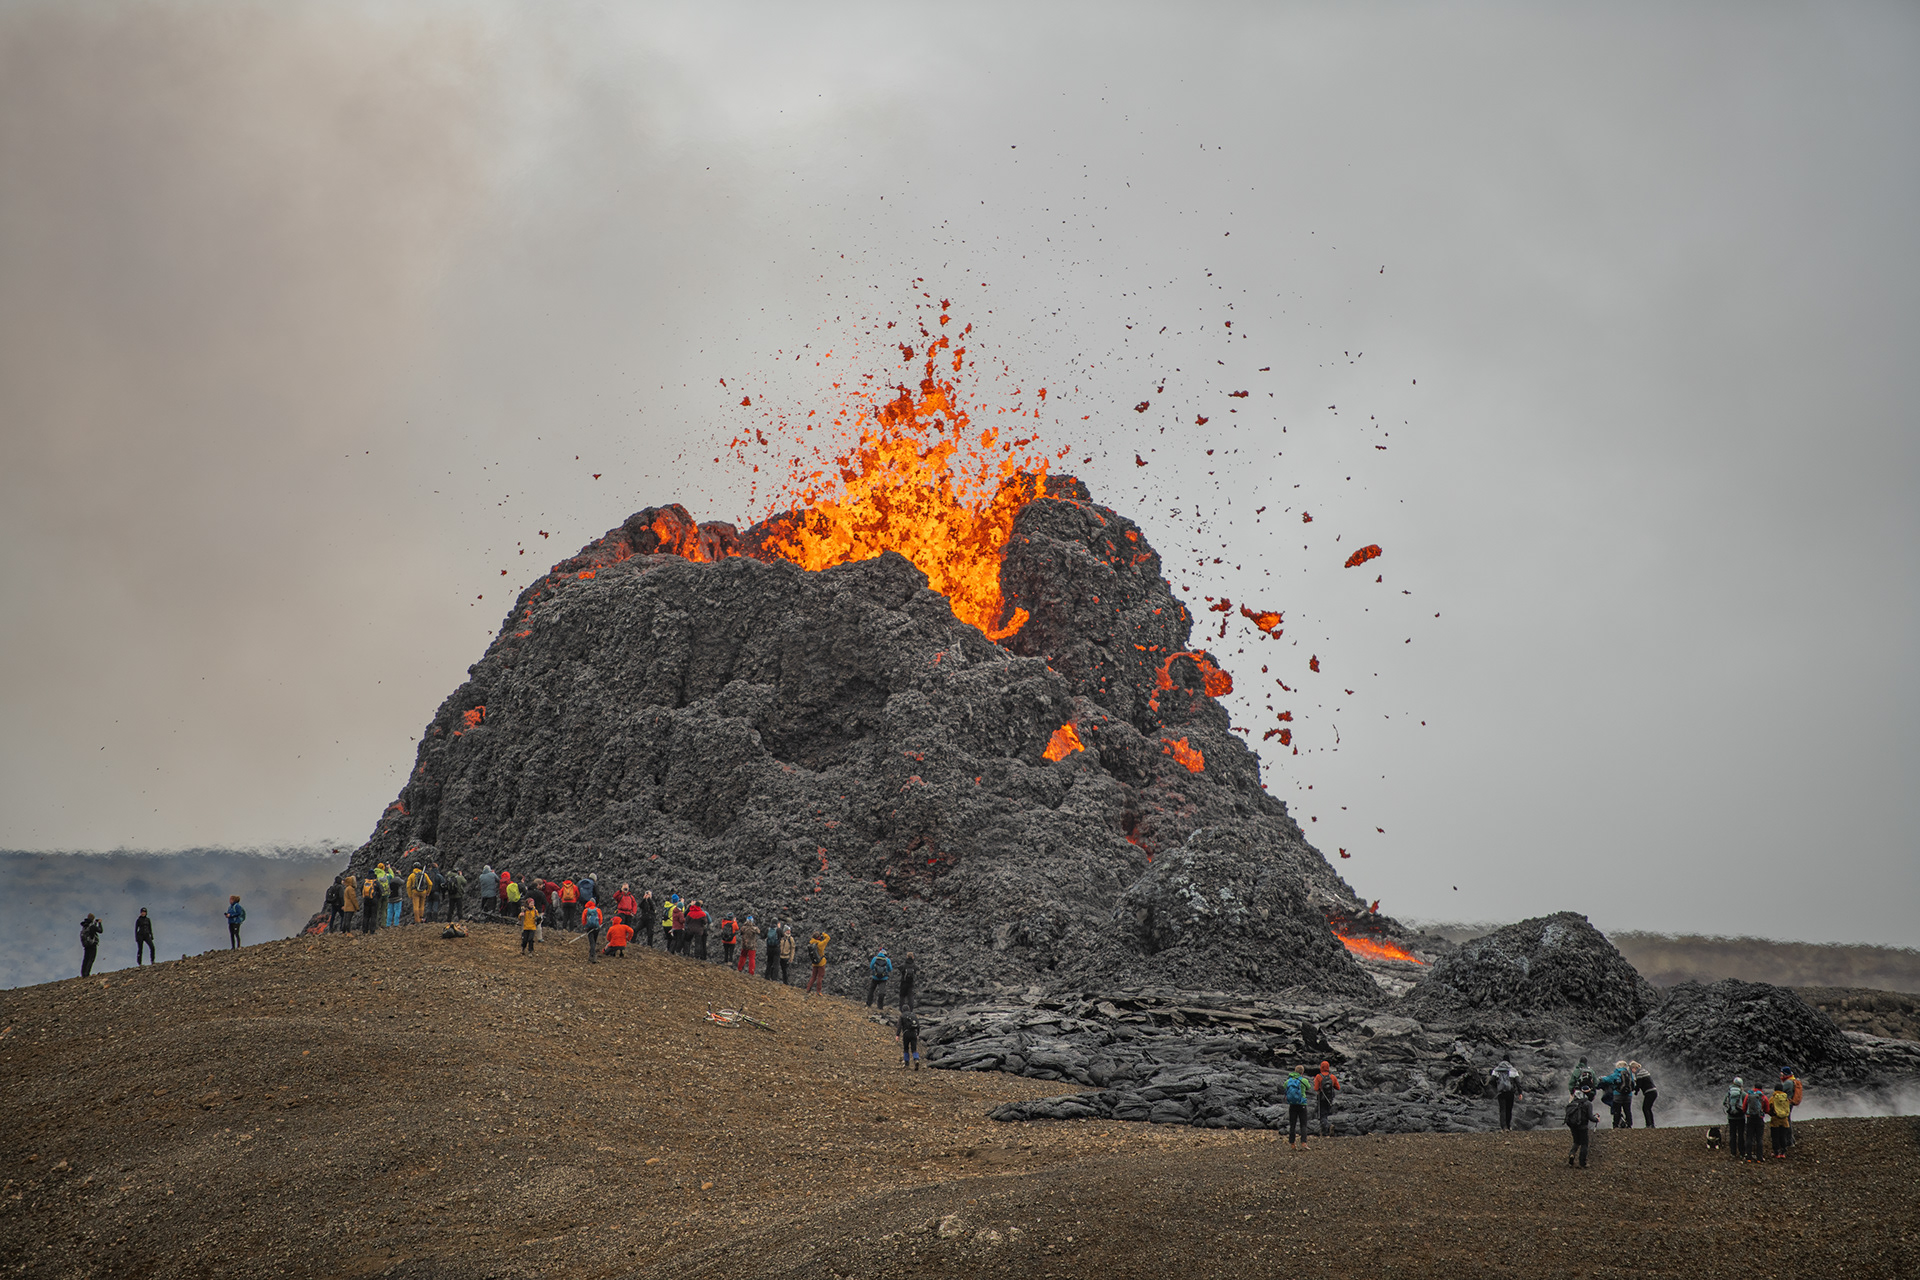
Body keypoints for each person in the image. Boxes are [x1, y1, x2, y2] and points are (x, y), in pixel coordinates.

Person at [1565, 1090, 1596, 1168]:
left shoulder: (1572, 1104)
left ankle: (1572, 1154)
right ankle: (1582, 1163)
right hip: (1583, 1126)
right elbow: (1590, 1117)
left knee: (1576, 1142)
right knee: (1584, 1144)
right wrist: (1597, 1119)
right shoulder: (1587, 1103)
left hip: (1573, 1126)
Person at [1490, 1059, 1523, 1131]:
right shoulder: (1513, 1070)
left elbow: (1491, 1080)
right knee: (1509, 1109)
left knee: (1502, 1109)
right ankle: (1508, 1126)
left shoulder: (1496, 1070)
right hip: (1510, 1092)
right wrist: (1520, 1093)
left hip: (1501, 1092)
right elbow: (1518, 1082)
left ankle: (1504, 1127)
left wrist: (1497, 1087)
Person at [1313, 1060, 1341, 1138]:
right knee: (1326, 1113)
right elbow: (1338, 1087)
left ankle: (1327, 1127)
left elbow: (1316, 1088)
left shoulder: (1318, 1076)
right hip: (1330, 1099)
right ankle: (1326, 1131)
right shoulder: (1332, 1076)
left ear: (1321, 1067)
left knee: (1322, 1115)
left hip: (1321, 1098)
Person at [1742, 1080, 1768, 1163]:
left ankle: (1748, 1157)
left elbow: (1744, 1107)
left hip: (1750, 1118)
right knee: (1759, 1138)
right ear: (1761, 1089)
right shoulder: (1763, 1097)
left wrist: (1747, 1113)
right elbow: (1767, 1109)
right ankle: (1759, 1157)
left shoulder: (1748, 1095)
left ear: (1754, 1087)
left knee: (1749, 1137)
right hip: (1759, 1118)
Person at [1284, 1067, 1311, 1147]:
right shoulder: (1303, 1080)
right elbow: (1309, 1087)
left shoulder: (1288, 1081)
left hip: (1292, 1104)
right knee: (1303, 1124)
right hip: (1302, 1104)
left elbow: (1284, 1086)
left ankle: (1292, 1143)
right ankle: (1303, 1142)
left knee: (1292, 1124)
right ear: (1302, 1073)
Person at [1723, 1078, 1747, 1160]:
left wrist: (1729, 1110)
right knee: (1741, 1135)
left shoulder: (1729, 1093)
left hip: (1731, 1117)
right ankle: (1742, 1153)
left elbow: (1724, 1103)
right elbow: (1747, 1102)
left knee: (1732, 1135)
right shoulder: (1742, 1093)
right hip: (1741, 1117)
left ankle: (1733, 1153)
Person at [1779, 1068, 1803, 1151]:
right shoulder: (1792, 1081)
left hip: (1787, 1103)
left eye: (1782, 1074)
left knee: (1786, 1121)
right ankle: (1791, 1140)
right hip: (1790, 1103)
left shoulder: (1788, 1082)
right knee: (1787, 1120)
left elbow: (1780, 1091)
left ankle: (1789, 1141)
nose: (1781, 1076)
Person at [1768, 1080, 1792, 1158]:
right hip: (1784, 1121)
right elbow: (1788, 1108)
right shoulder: (1786, 1098)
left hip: (1775, 1120)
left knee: (1775, 1137)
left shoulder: (1773, 1098)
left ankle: (1776, 1153)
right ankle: (1783, 1153)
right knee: (1783, 1136)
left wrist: (1771, 1114)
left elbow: (1769, 1108)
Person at [1630, 1061, 1657, 1129]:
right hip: (1653, 1091)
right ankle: (1652, 1124)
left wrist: (1634, 1090)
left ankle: (1649, 1124)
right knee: (1648, 1108)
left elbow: (1639, 1084)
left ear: (1634, 1068)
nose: (1632, 1072)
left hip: (1649, 1092)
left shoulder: (1639, 1073)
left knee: (1645, 1108)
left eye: (1631, 1069)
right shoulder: (1643, 1071)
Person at [805, 929, 830, 995]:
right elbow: (828, 938)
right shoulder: (820, 944)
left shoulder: (811, 943)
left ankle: (808, 989)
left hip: (814, 963)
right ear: (819, 937)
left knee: (813, 976)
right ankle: (818, 991)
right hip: (821, 963)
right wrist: (823, 934)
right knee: (820, 977)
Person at [581, 899, 603, 964]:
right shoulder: (598, 910)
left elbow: (583, 919)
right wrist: (599, 925)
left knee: (591, 941)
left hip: (589, 927)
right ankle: (592, 954)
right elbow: (600, 919)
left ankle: (592, 955)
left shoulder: (586, 910)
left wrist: (585, 926)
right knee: (594, 941)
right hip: (596, 927)